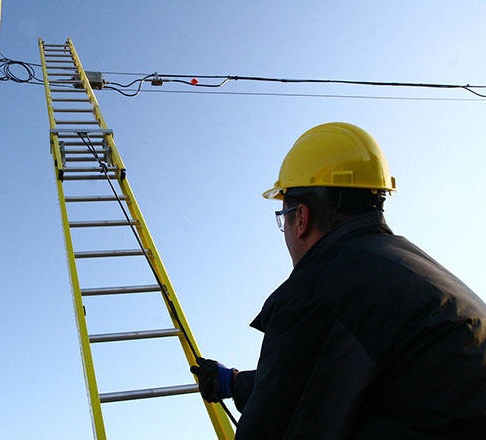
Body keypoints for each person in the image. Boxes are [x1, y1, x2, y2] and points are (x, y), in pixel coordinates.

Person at [190, 122, 486, 439]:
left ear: (301, 218)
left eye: (283, 217)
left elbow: (285, 421)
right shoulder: (409, 271)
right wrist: (235, 383)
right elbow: (324, 377)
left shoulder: (320, 290)